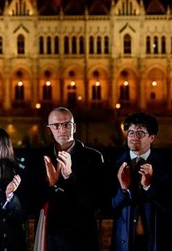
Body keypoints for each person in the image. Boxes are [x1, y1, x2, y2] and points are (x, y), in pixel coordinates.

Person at [33, 107, 105, 251]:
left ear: (74, 127)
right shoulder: (39, 157)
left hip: (81, 237)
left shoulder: (93, 157)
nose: (62, 129)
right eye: (56, 125)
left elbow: (96, 201)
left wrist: (70, 177)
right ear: (49, 129)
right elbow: (33, 199)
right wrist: (51, 185)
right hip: (50, 235)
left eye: (67, 124)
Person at [111, 112, 171, 251]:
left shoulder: (165, 167)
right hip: (124, 242)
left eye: (140, 133)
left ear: (152, 138)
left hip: (157, 241)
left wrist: (149, 186)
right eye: (130, 132)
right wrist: (123, 189)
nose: (133, 137)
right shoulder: (114, 165)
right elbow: (107, 205)